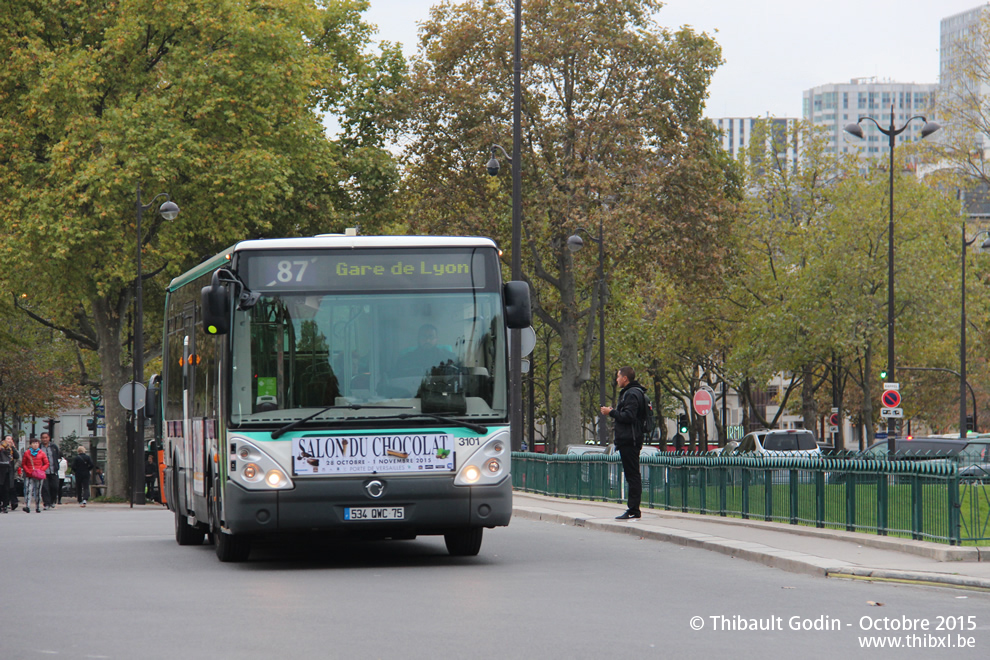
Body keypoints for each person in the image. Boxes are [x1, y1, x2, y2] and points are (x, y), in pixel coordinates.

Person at [600, 366, 646, 520]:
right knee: (632, 475)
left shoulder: (631, 394)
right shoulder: (633, 392)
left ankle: (633, 509)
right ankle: (633, 508)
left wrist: (611, 412)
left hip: (630, 440)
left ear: (625, 378)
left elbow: (629, 416)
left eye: (618, 376)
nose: (617, 379)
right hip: (630, 439)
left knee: (632, 475)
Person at [393, 324, 458, 377]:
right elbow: (397, 379)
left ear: (436, 339)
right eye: (424, 336)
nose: (427, 340)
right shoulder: (405, 360)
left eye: (431, 337)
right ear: (418, 338)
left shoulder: (449, 358)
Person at [21, 437, 50, 513]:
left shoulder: (42, 453)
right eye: (33, 443)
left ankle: (38, 506)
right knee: (28, 490)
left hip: (38, 475)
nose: (35, 445)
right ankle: (27, 506)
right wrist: (28, 471)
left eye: (36, 443)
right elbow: (24, 464)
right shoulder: (27, 453)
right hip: (30, 475)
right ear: (30, 444)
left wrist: (41, 470)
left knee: (38, 491)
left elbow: (47, 463)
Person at [39, 432, 62, 510]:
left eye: (46, 437)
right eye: (43, 438)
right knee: (45, 488)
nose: (45, 439)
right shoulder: (39, 447)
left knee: (54, 487)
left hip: (53, 470)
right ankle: (46, 503)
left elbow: (58, 456)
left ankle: (52, 501)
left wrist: (56, 466)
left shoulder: (53, 446)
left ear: (49, 438)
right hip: (43, 471)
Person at [0, 435, 18, 513]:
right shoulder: (1, 447)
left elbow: (17, 456)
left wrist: (13, 447)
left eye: (11, 439)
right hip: (1, 470)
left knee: (6, 489)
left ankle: (5, 505)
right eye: (7, 439)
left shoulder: (11, 449)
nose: (9, 440)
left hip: (9, 471)